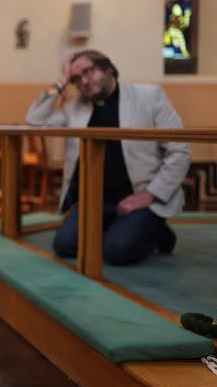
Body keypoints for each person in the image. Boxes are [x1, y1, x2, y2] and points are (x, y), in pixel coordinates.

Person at [25, 49, 191, 265]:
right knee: (65, 246)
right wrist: (61, 83)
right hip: (94, 201)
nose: (84, 81)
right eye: (76, 78)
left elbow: (180, 149)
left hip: (139, 197)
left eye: (88, 72)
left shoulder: (149, 97)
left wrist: (149, 196)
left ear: (108, 68)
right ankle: (127, 228)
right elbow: (35, 122)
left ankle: (157, 230)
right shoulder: (74, 108)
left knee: (115, 252)